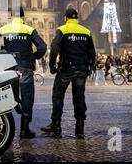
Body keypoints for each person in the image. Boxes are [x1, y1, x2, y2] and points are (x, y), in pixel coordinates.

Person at [0, 7, 47, 139]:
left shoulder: (3, 30)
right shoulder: (29, 29)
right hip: (25, 66)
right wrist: (34, 56)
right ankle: (24, 130)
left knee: (3, 97)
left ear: (11, 17)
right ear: (23, 17)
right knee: (27, 97)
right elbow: (42, 47)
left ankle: (3, 129)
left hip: (7, 68)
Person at [41, 8, 96, 139]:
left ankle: (56, 124)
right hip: (81, 69)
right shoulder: (86, 31)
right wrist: (89, 67)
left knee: (58, 96)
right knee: (79, 97)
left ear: (66, 18)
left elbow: (54, 47)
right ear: (76, 18)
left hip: (66, 69)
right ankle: (80, 127)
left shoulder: (62, 30)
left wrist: (52, 65)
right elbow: (92, 53)